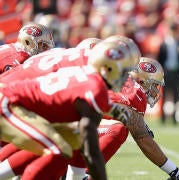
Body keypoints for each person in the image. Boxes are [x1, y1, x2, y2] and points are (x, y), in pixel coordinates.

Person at [0, 40, 136, 180]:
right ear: (107, 69)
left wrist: (111, 108)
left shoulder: (87, 76)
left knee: (71, 137)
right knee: (58, 150)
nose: (125, 78)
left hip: (16, 101)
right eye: (123, 72)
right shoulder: (94, 88)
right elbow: (91, 152)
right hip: (8, 103)